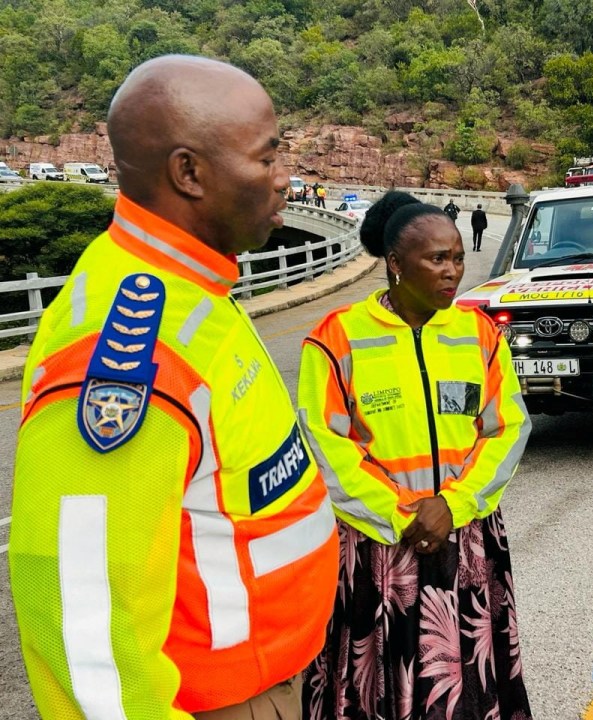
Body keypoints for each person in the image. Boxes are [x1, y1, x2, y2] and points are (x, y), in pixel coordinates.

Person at [8, 55, 339, 720]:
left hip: (270, 677)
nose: (286, 179)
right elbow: (88, 634)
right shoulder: (126, 355)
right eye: (266, 158)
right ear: (189, 173)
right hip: (222, 703)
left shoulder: (194, 286)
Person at [298, 190, 533, 720]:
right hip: (380, 544)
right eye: (437, 259)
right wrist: (401, 512)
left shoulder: (481, 334)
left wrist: (455, 502)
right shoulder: (335, 339)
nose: (453, 271)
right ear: (396, 264)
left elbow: (508, 427)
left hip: (464, 534)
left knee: (465, 678)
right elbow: (326, 445)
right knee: (381, 679)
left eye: (457, 257)